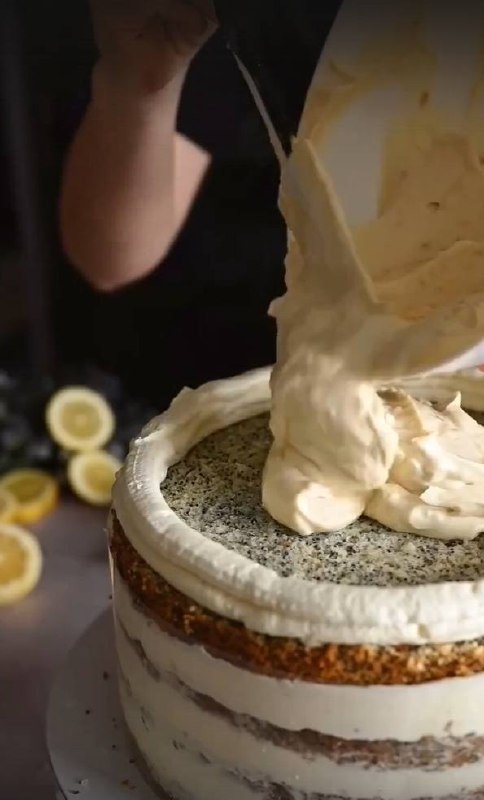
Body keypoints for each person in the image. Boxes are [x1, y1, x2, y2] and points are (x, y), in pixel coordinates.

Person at [59, 0, 286, 409]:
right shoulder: (233, 30)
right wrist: (139, 82)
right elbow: (110, 260)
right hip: (191, 383)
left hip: (384, 378)